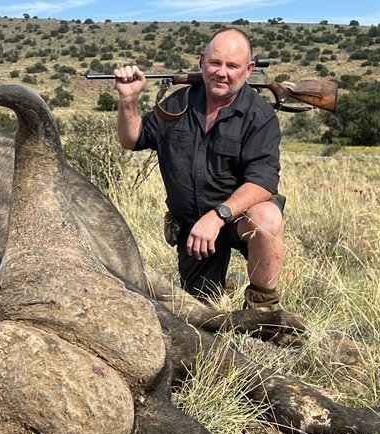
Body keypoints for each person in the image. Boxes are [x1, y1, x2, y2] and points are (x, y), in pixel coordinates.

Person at [114, 27, 286, 310]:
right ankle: (222, 285)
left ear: (249, 69)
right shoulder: (177, 103)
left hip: (234, 219)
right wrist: (128, 99)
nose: (221, 72)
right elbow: (132, 139)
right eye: (215, 63)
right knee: (202, 314)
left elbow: (263, 181)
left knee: (266, 217)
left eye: (232, 66)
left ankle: (262, 307)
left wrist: (218, 216)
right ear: (201, 61)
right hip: (193, 229)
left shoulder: (260, 115)